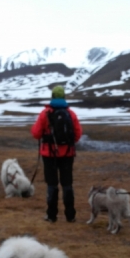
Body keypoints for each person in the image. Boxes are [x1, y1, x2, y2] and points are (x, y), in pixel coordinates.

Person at [31, 85, 82, 223]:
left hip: (49, 155)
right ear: (64, 97)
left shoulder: (45, 113)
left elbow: (36, 133)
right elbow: (78, 133)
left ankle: (51, 215)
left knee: (52, 184)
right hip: (67, 154)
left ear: (52, 97)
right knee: (67, 184)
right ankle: (70, 216)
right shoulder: (71, 114)